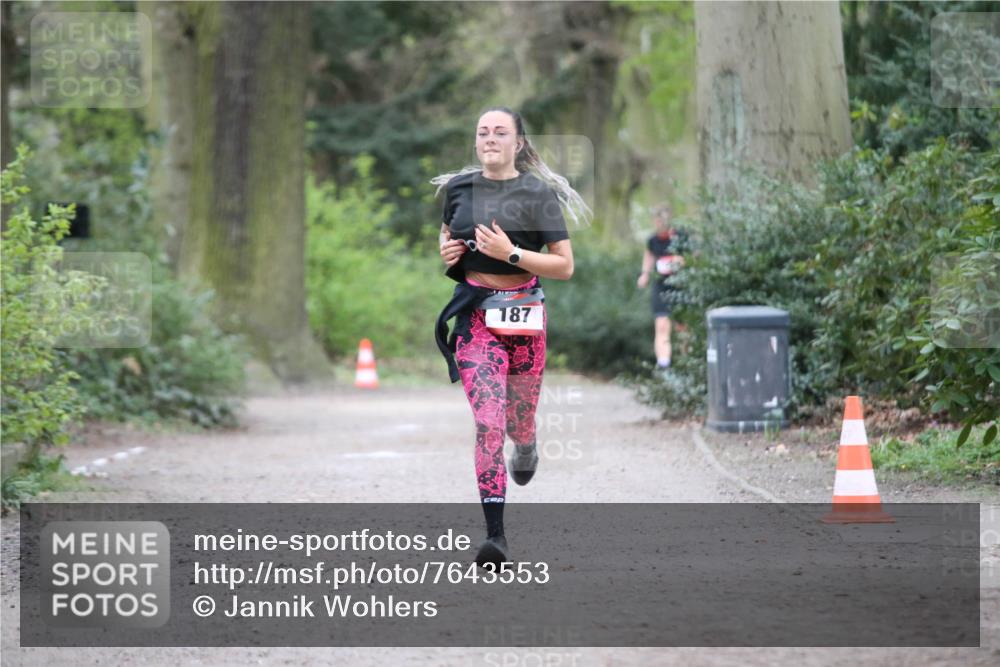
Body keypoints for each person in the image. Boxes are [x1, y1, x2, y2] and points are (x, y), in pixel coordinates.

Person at [433, 107, 589, 568]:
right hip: (475, 318)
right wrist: (447, 250)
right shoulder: (459, 189)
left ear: (518, 143)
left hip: (525, 317)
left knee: (518, 421)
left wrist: (512, 253)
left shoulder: (538, 194)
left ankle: (526, 441)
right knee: (489, 423)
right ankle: (495, 537)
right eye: (483, 132)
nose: (490, 138)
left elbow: (564, 266)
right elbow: (448, 238)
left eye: (500, 132)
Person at [637, 205, 687, 371]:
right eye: (657, 219)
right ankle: (664, 365)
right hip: (661, 286)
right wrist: (645, 274)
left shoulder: (680, 236)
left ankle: (687, 364)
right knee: (661, 325)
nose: (659, 222)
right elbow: (649, 256)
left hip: (681, 286)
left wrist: (681, 261)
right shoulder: (653, 240)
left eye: (662, 219)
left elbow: (692, 257)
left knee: (682, 327)